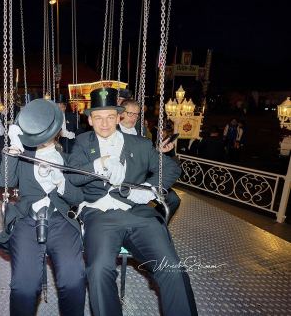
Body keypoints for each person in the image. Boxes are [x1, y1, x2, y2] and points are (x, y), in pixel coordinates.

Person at [68, 87, 198, 316]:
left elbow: (169, 167)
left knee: (172, 269)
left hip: (138, 214)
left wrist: (149, 189)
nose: (105, 124)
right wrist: (100, 163)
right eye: (98, 118)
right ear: (90, 119)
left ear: (119, 117)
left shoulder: (140, 144)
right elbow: (73, 175)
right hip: (100, 216)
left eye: (110, 117)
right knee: (98, 271)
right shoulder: (81, 142)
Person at [0, 99, 85, 316]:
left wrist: (61, 182)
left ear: (55, 131)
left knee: (73, 280)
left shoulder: (67, 159)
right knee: (24, 287)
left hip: (60, 221)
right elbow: (3, 181)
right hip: (27, 220)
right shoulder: (23, 156)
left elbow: (78, 196)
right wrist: (14, 150)